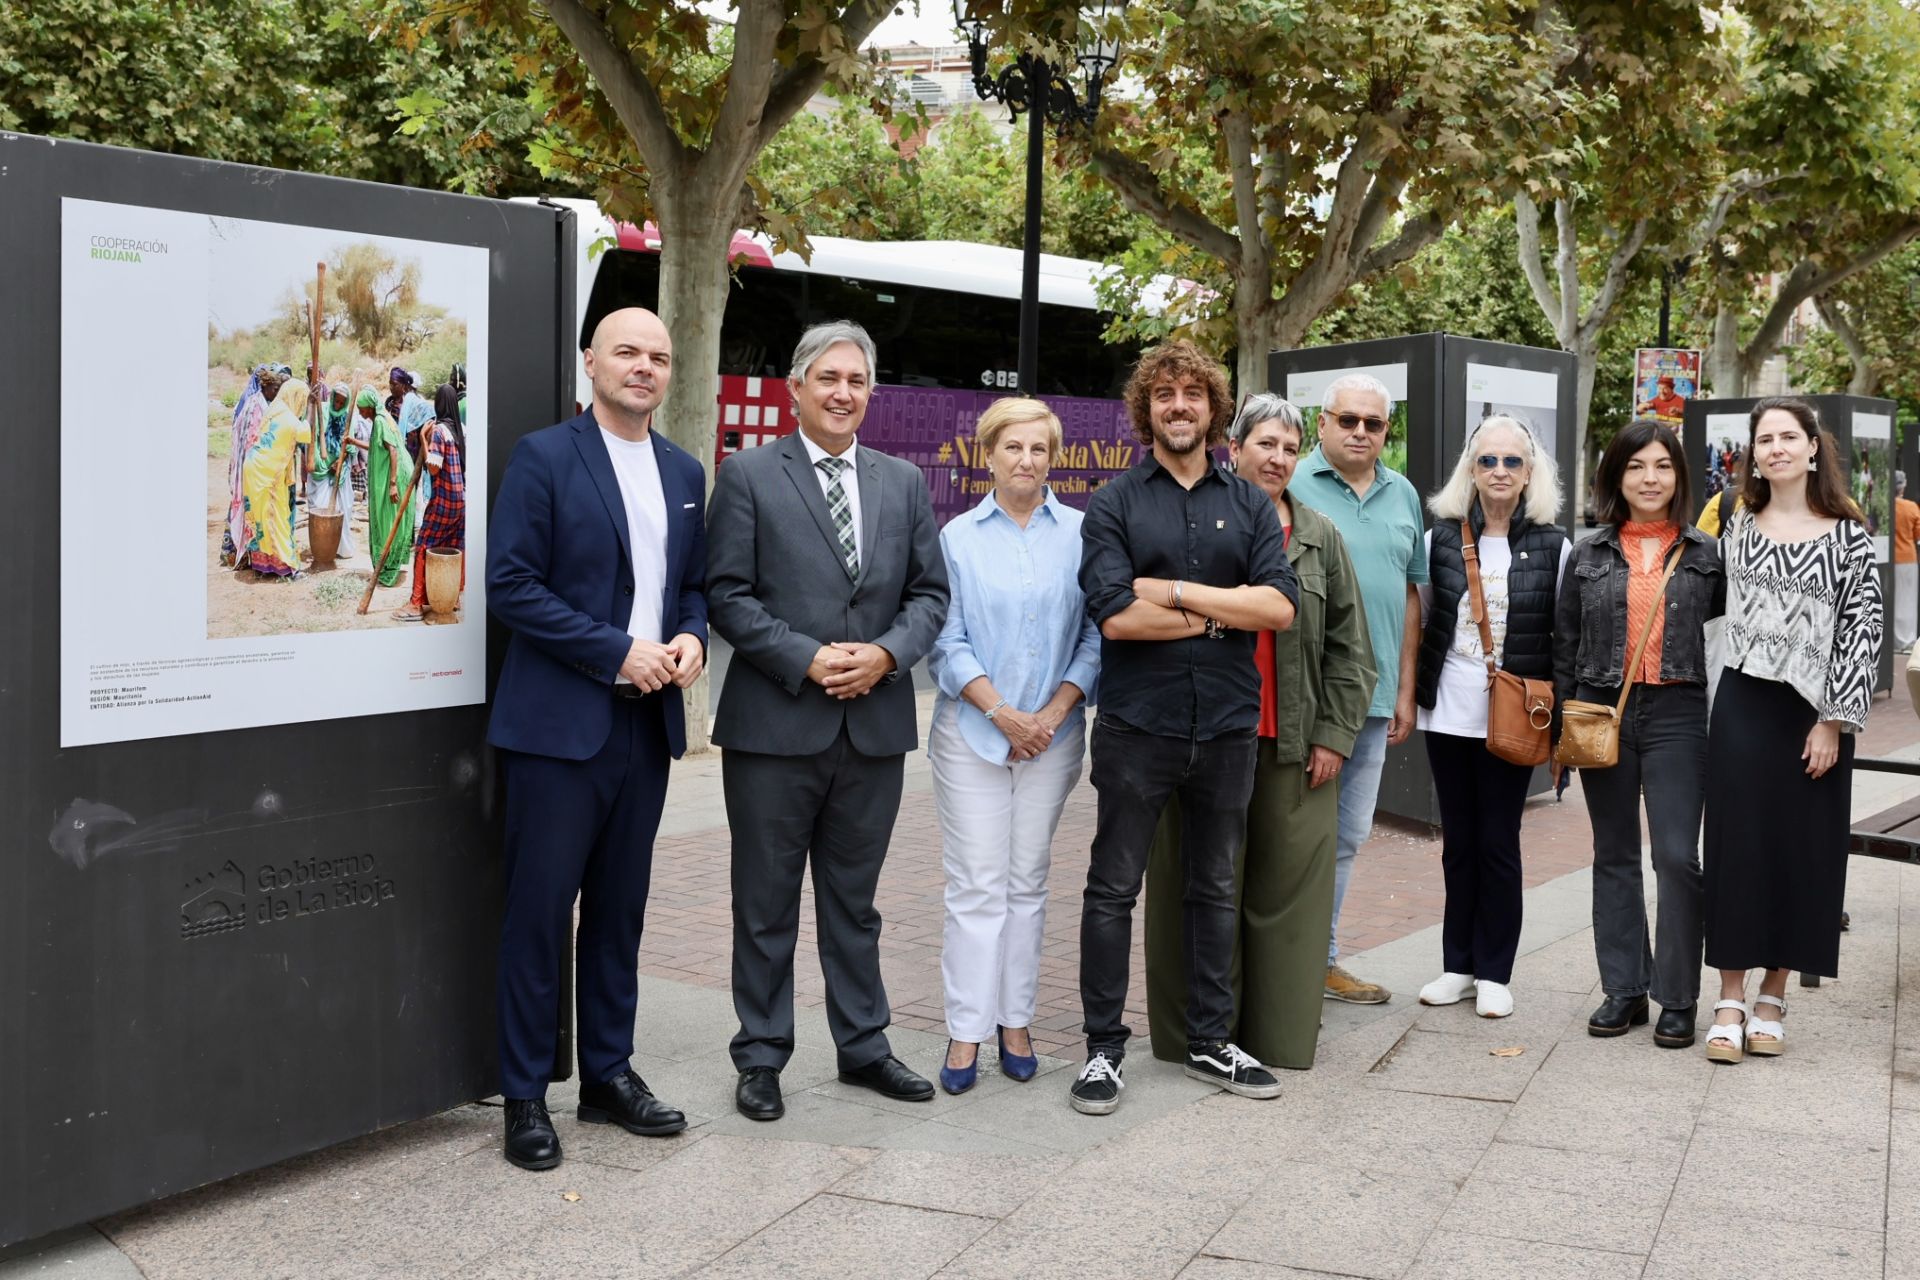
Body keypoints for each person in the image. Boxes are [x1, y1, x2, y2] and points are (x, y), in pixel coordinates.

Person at [707, 320, 950, 1122]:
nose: (843, 393)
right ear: (796, 389)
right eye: (828, 378)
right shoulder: (748, 475)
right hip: (774, 728)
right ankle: (761, 1056)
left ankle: (864, 1047)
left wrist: (886, 655)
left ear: (870, 392)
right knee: (765, 904)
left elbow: (930, 596)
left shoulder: (902, 482)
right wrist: (806, 657)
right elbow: (727, 594)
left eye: (856, 380)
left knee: (856, 904)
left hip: (873, 729)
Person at [486, 306, 708, 1171]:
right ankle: (524, 1095)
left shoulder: (684, 470)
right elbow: (510, 584)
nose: (644, 366)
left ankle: (609, 1077)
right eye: (627, 352)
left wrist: (690, 637)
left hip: (644, 728)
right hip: (556, 729)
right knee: (538, 915)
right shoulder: (544, 457)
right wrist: (616, 650)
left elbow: (691, 588)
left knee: (620, 915)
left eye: (659, 356)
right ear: (591, 362)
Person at [1070, 340, 1300, 1116]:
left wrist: (1171, 593)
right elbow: (1116, 618)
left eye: (1192, 394)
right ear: (1147, 409)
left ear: (1213, 409)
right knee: (1113, 888)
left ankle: (1209, 1038)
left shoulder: (1250, 504)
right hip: (1137, 727)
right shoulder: (1114, 503)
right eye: (1163, 394)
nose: (1178, 406)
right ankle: (1103, 1049)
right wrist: (1224, 615)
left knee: (1215, 887)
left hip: (1227, 727)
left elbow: (1278, 607)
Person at [1142, 393, 1374, 1071]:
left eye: (1289, 448)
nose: (1276, 458)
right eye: (1264, 444)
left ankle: (1277, 1038)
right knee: (1195, 887)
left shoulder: (1319, 535)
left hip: (1292, 746)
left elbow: (1351, 649)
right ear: (1234, 447)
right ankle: (1193, 1039)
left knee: (1288, 899)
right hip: (1200, 738)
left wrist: (1333, 734)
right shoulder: (1191, 521)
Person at [926, 397, 1100, 1094]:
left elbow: (1095, 633)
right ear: (988, 454)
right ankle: (966, 1030)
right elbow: (946, 640)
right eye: (1013, 447)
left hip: (1053, 737)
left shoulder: (1084, 535)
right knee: (976, 884)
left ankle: (1016, 1022)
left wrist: (1051, 714)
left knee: (1028, 880)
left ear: (1053, 458)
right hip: (972, 735)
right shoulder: (957, 539)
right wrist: (1003, 715)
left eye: (1039, 449)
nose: (1026, 460)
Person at [1702, 397, 1882, 1064]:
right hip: (1743, 702)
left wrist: (1833, 722)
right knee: (1735, 846)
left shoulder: (1849, 536)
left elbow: (1863, 633)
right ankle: (1729, 997)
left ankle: (1773, 995)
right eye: (1764, 439)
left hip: (1815, 715)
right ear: (1753, 454)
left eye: (1788, 437)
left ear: (1812, 449)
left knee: (1801, 849)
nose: (1775, 447)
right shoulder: (1738, 525)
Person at [1554, 421, 1723, 1050]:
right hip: (1603, 711)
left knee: (1677, 855)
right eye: (1635, 466)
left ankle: (1677, 996)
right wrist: (1561, 732)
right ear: (1616, 476)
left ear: (1679, 476)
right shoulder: (1588, 553)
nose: (1649, 479)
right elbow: (1564, 643)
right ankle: (1624, 988)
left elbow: (1724, 644)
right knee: (1614, 852)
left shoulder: (1707, 554)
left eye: (1662, 466)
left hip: (1680, 712)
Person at [1414, 416, 1569, 1019]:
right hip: (1450, 713)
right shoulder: (1440, 539)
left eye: (1511, 461)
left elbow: (1565, 638)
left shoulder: (1555, 546)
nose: (1499, 471)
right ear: (1471, 470)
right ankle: (1458, 965)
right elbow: (1425, 618)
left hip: (1517, 716)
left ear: (1529, 473)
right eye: (1488, 460)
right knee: (1459, 842)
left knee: (1499, 842)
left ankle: (1495, 972)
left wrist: (1561, 726)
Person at [1287, 373, 1428, 1004]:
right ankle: (1279, 964)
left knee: (1346, 836)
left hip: (1370, 700)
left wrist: (1404, 690)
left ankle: (1321, 962)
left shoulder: (1403, 494)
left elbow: (1408, 594)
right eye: (1348, 420)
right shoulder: (1291, 482)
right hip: (1300, 696)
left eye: (1374, 423)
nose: (1361, 432)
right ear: (1322, 423)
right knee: (1292, 832)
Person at [394, 384, 467, 622]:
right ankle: (451, 598)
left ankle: (416, 603)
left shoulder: (439, 431)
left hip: (443, 501)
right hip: (461, 502)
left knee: (424, 544)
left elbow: (434, 468)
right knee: (452, 546)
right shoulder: (460, 430)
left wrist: (423, 441)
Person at [239, 379, 313, 580]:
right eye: (302, 400)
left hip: (254, 468)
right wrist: (311, 409)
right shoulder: (288, 419)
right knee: (276, 518)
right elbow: (305, 433)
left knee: (260, 520)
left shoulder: (274, 409)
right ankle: (286, 567)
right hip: (268, 476)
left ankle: (263, 566)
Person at [355, 387, 415, 587]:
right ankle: (387, 564)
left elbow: (393, 450)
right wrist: (353, 441)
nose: (360, 412)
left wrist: (392, 484)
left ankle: (388, 566)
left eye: (362, 408)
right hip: (395, 475)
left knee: (388, 522)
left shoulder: (381, 421)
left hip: (394, 477)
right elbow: (377, 447)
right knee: (388, 520)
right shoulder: (381, 419)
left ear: (370, 407)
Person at [307, 382, 358, 559]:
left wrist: (339, 462)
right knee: (320, 507)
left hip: (339, 470)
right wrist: (322, 463)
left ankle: (338, 548)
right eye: (336, 400)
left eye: (342, 402)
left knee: (342, 508)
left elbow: (349, 446)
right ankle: (322, 547)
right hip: (321, 468)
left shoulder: (348, 418)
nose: (338, 405)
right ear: (332, 397)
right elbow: (312, 437)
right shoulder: (322, 411)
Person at [1893, 470, 1919, 651]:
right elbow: (1918, 534)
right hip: (1907, 559)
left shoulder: (1885, 506)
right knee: (1907, 600)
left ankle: (1891, 639)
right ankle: (1906, 641)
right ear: (1903, 487)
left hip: (1888, 558)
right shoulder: (1911, 507)